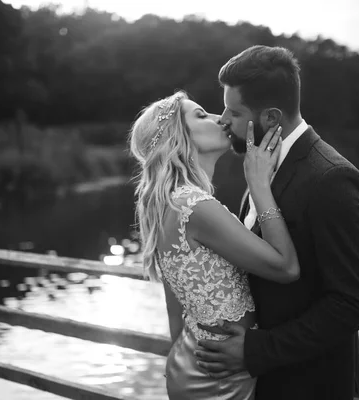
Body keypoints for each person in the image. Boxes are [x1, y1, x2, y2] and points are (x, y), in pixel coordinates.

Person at [195, 45, 359, 400]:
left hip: (310, 384)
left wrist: (256, 350)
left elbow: (353, 302)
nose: (222, 120)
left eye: (234, 111)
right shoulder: (259, 165)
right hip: (262, 385)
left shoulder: (333, 179)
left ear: (272, 118)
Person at [128, 90, 300, 400]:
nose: (218, 118)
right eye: (200, 115)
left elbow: (174, 309)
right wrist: (259, 185)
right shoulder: (194, 206)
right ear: (178, 137)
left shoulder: (168, 204)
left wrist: (181, 364)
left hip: (194, 363)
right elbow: (286, 267)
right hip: (219, 380)